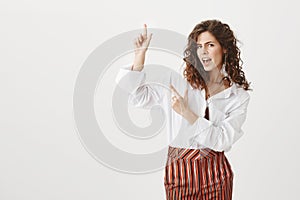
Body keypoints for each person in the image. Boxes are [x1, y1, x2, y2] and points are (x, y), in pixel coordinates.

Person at [115, 20, 250, 200]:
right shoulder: (177, 83)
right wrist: (139, 57)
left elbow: (222, 141)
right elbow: (138, 97)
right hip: (180, 172)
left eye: (210, 45)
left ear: (224, 48)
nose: (204, 52)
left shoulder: (238, 95)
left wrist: (188, 113)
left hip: (217, 174)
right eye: (199, 46)